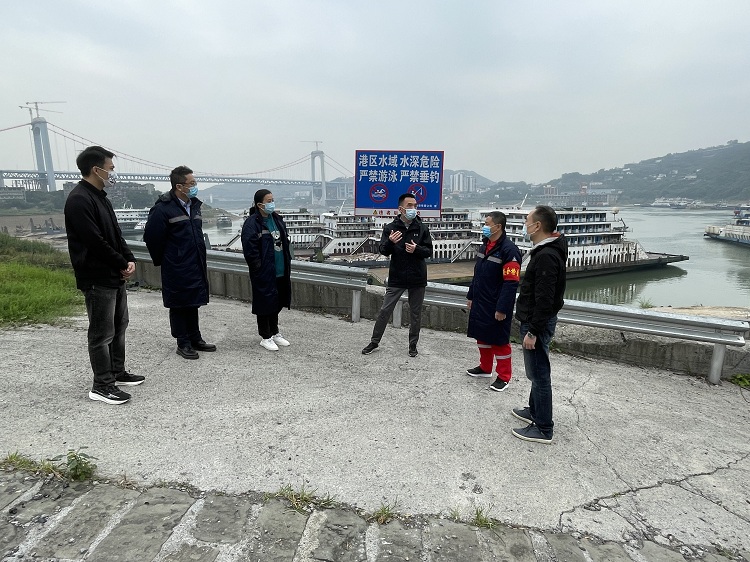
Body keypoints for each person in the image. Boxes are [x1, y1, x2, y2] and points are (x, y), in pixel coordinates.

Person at [64, 145, 144, 405]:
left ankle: (117, 372)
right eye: (110, 168)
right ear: (96, 169)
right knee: (101, 333)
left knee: (119, 326)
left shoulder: (102, 198)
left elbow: (116, 236)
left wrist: (129, 259)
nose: (113, 173)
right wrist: (120, 262)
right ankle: (101, 385)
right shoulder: (79, 199)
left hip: (113, 275)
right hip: (96, 277)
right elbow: (94, 241)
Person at [143, 165, 216, 360]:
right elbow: (152, 237)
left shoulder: (194, 206)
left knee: (193, 301)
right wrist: (168, 259)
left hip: (195, 262)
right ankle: (183, 342)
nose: (195, 186)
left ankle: (195, 338)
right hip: (176, 264)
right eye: (192, 183)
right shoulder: (163, 209)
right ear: (179, 186)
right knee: (178, 303)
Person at [512, 205, 567, 444]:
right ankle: (534, 411)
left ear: (537, 226)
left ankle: (544, 428)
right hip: (537, 320)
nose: (525, 225)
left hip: (537, 323)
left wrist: (533, 331)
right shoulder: (548, 249)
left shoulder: (546, 256)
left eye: (527, 221)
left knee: (540, 374)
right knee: (536, 371)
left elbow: (545, 298)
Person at [362, 193, 433, 357]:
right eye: (410, 206)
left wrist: (416, 249)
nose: (413, 209)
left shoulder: (422, 228)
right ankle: (374, 342)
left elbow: (429, 251)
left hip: (417, 277)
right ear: (401, 209)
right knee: (385, 310)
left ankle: (413, 346)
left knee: (415, 314)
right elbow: (383, 250)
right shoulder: (390, 228)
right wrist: (390, 242)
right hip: (397, 277)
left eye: (415, 205)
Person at [465, 211, 522, 391]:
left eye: (487, 223)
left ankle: (504, 377)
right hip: (481, 301)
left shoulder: (509, 251)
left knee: (499, 341)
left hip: (496, 304)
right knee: (482, 336)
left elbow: (511, 283)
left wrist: (502, 308)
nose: (484, 226)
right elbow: (477, 274)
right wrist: (471, 296)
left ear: (498, 227)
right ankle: (485, 368)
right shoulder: (485, 246)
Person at [241, 189, 293, 351]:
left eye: (273, 200)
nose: (272, 204)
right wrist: (258, 268)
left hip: (280, 268)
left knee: (277, 302)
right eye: (269, 201)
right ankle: (265, 336)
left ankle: (275, 332)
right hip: (264, 271)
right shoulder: (252, 223)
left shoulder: (277, 219)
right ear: (259, 204)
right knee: (264, 303)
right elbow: (250, 251)